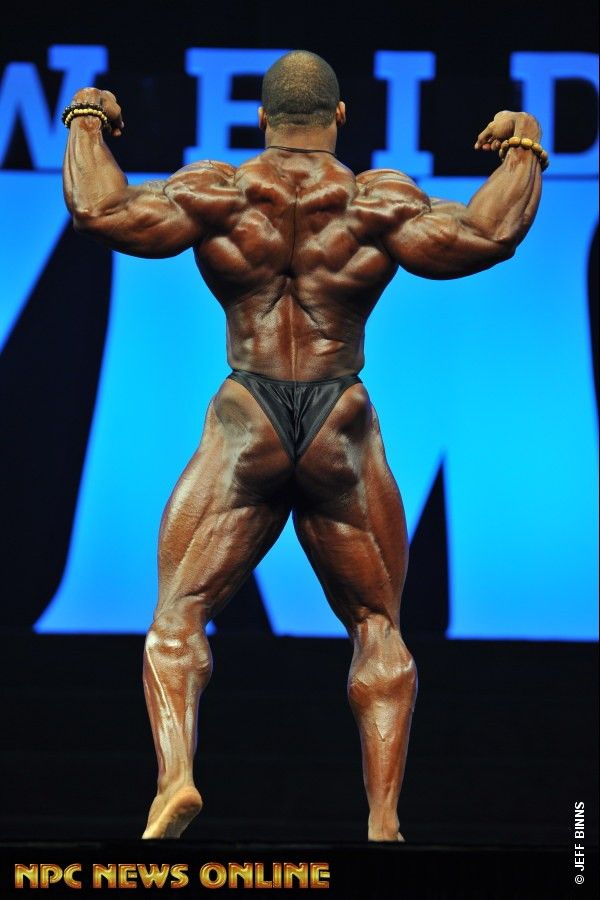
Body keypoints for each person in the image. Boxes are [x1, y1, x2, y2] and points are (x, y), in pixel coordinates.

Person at [62, 50, 545, 841]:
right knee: (377, 624)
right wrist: (524, 144)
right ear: (339, 117)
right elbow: (489, 234)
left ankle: (176, 778)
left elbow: (100, 211)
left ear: (262, 117)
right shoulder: (374, 200)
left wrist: (87, 116)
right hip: (337, 421)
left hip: (249, 413)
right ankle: (383, 821)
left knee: (179, 614)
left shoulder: (219, 191)